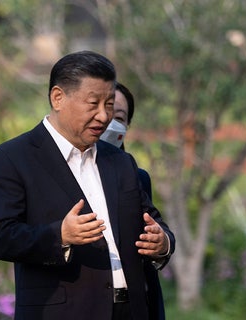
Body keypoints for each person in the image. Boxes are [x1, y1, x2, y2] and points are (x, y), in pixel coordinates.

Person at [0, 51, 175, 320]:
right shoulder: (12, 158)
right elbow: (1, 237)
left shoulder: (120, 162)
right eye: (93, 103)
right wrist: (59, 235)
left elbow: (152, 220)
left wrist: (163, 241)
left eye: (109, 104)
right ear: (58, 98)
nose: (103, 115)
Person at [100, 82, 165, 320]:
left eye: (119, 116)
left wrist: (162, 242)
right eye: (104, 110)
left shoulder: (136, 176)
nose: (107, 121)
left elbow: (151, 235)